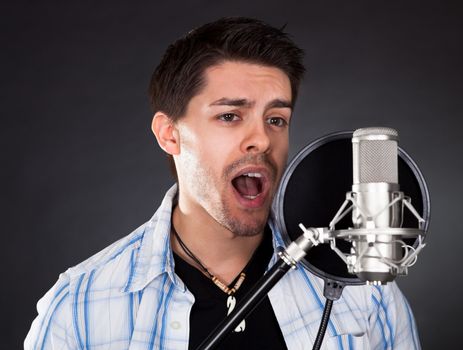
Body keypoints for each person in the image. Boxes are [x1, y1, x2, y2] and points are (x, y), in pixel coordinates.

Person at [25, 17, 421, 350]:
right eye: (230, 116)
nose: (263, 140)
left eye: (276, 119)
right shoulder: (79, 307)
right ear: (169, 134)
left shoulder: (365, 290)